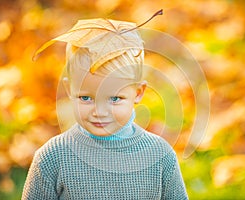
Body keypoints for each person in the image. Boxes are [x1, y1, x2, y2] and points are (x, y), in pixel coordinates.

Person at [22, 14, 188, 200]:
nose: (99, 112)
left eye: (115, 99)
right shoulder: (52, 158)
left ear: (139, 92)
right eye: (86, 98)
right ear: (69, 89)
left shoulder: (160, 156)